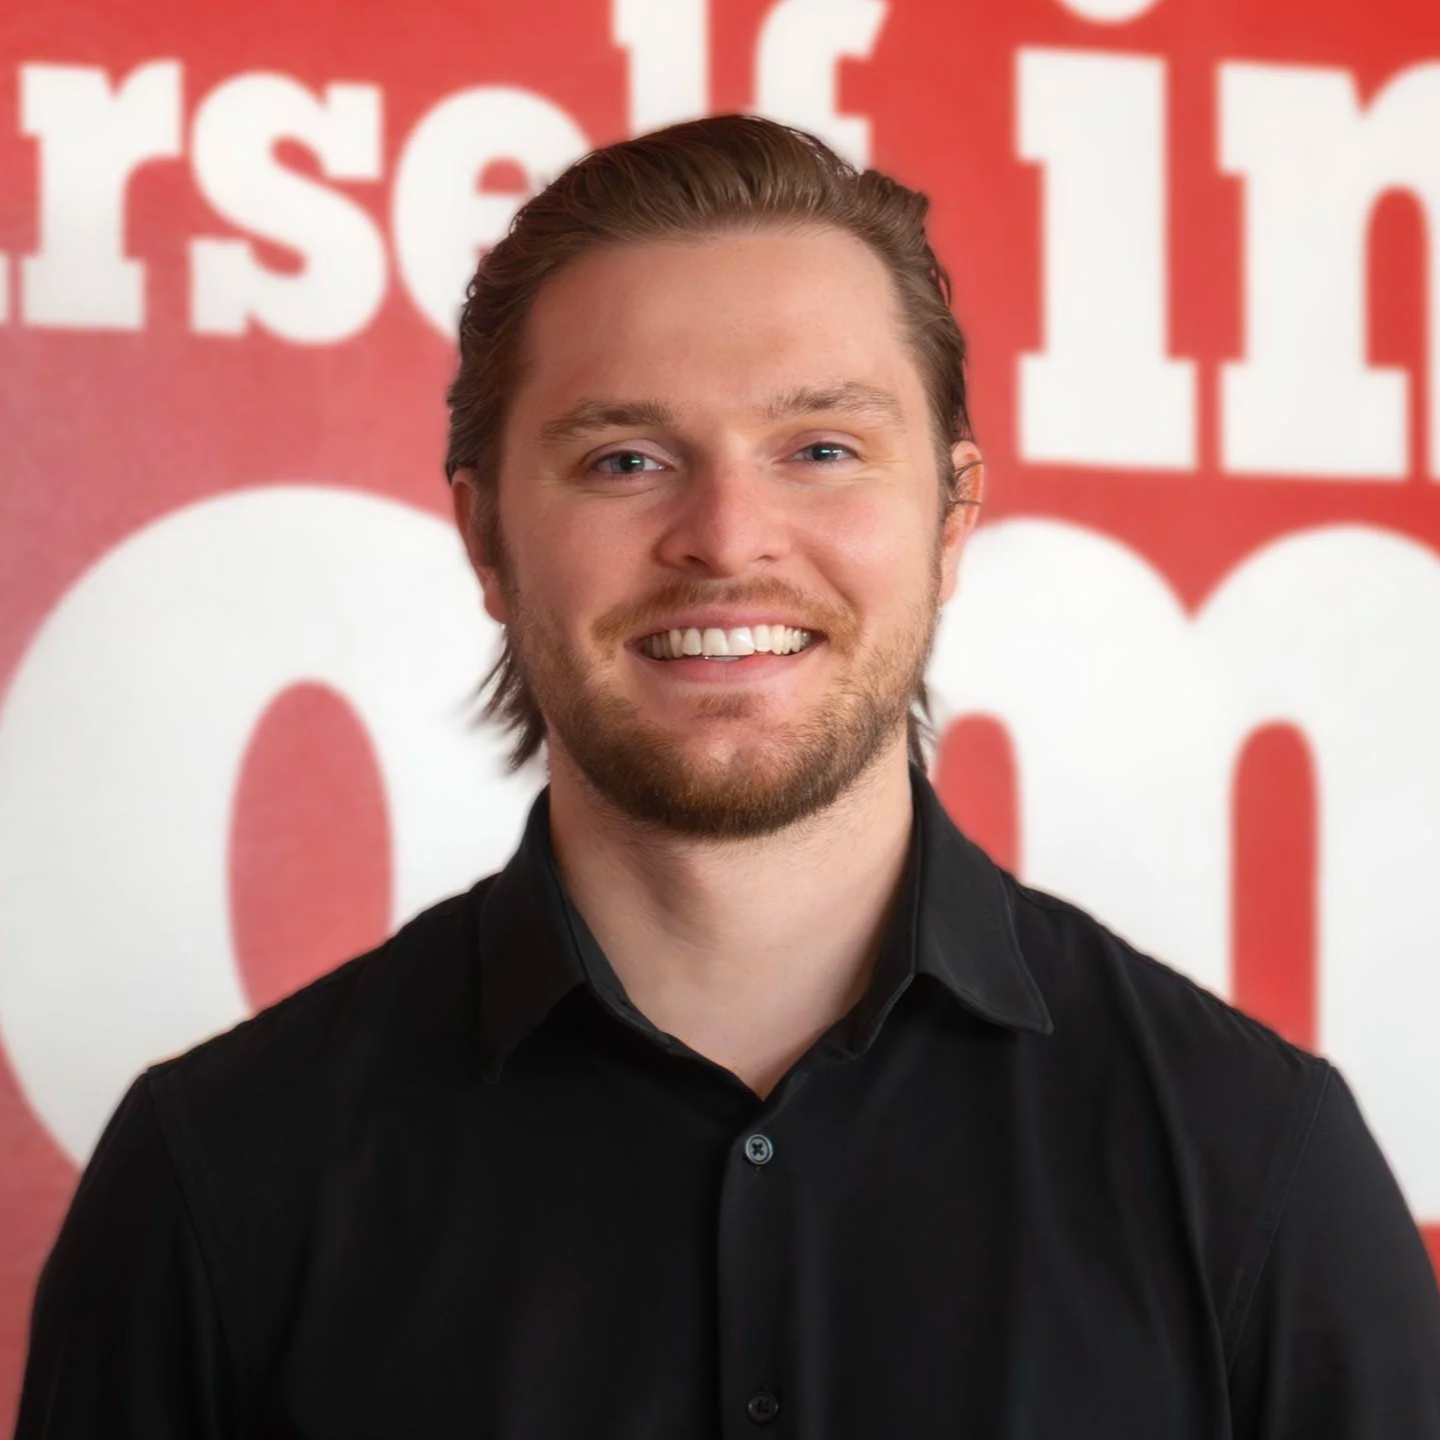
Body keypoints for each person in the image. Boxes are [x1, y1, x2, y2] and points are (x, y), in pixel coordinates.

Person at [14, 114, 1440, 1439]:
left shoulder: (1258, 1168)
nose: (728, 534)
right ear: (487, 539)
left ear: (952, 520)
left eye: (821, 448)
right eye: (626, 459)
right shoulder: (216, 1182)